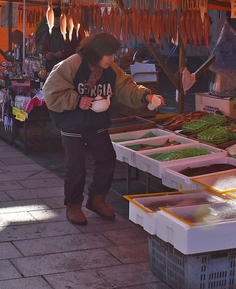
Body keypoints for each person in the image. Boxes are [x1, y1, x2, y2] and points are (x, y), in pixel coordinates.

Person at [42, 32, 164, 225]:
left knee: (107, 159)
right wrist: (76, 100)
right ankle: (73, 205)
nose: (113, 58)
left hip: (97, 122)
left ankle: (97, 199)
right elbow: (50, 92)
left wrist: (146, 96)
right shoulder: (72, 64)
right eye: (109, 54)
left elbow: (126, 87)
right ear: (97, 52)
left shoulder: (111, 69)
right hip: (72, 123)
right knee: (76, 166)